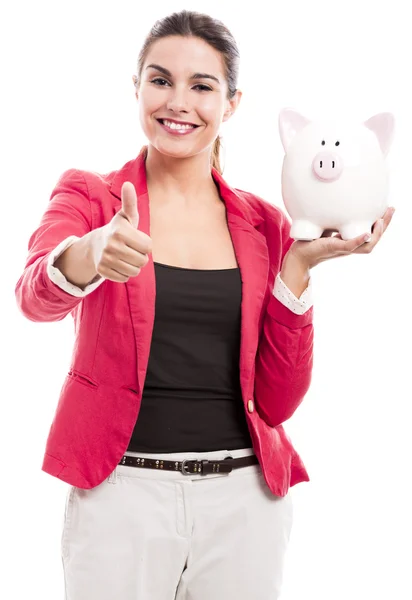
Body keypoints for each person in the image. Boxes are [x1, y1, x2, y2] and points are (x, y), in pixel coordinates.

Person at [15, 9, 394, 600]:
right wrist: (89, 252)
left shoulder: (266, 224)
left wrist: (298, 269)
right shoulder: (90, 195)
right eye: (161, 80)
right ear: (136, 87)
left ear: (232, 102)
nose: (178, 102)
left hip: (244, 505)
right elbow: (33, 296)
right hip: (120, 500)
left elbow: (277, 400)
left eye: (202, 86)